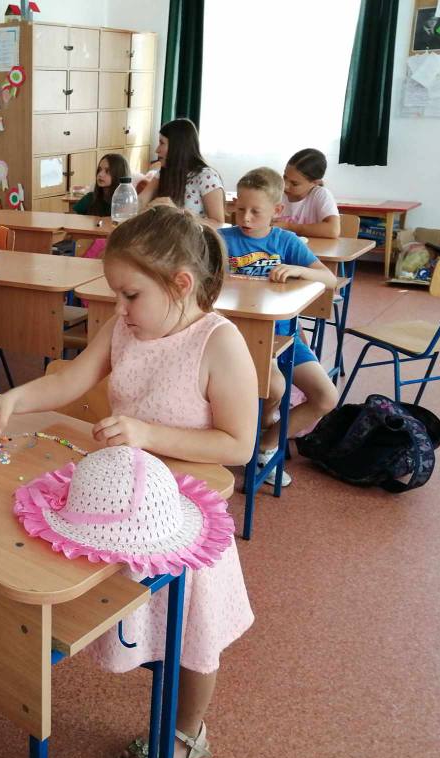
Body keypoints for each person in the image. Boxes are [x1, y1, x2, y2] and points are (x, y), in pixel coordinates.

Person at [0, 207, 257, 758]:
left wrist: (148, 434)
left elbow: (238, 445)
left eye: (130, 295)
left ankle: (187, 731)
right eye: (116, 295)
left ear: (181, 284)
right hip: (119, 506)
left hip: (182, 517)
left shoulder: (218, 343)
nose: (119, 309)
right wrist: (15, 398)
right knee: (133, 615)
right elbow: (70, 379)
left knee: (192, 636)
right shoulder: (124, 328)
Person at [221, 167, 338, 486]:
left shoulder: (285, 241)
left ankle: (265, 443)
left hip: (283, 336)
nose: (245, 218)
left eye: (255, 211)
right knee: (274, 387)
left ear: (277, 210)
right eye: (240, 209)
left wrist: (300, 271)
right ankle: (251, 432)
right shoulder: (222, 240)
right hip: (237, 338)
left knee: (326, 397)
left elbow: (329, 279)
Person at [137, 118, 225, 228]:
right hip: (164, 235)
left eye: (162, 143)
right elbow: (141, 201)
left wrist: (179, 215)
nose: (157, 150)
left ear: (178, 146)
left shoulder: (207, 177)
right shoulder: (163, 172)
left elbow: (218, 223)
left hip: (192, 238)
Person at [274, 148, 341, 239]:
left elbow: (333, 230)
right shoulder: (275, 193)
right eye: (284, 177)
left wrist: (288, 227)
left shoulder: (320, 194)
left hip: (312, 247)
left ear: (315, 183)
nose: (285, 186)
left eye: (294, 183)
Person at [73, 153, 131, 217]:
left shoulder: (127, 201)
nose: (100, 174)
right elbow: (72, 218)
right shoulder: (90, 198)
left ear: (119, 174)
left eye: (107, 171)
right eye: (99, 170)